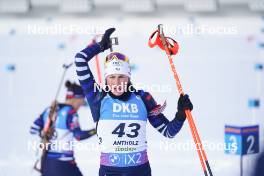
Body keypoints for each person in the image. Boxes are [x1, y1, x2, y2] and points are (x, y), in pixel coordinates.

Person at [74, 28, 193, 176]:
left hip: (140, 171)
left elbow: (168, 132)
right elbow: (80, 60)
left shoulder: (143, 98)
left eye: (121, 77)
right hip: (110, 172)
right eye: (112, 77)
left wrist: (180, 115)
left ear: (129, 77)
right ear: (106, 79)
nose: (117, 82)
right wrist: (100, 46)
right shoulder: (97, 97)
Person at [30, 81, 96, 176]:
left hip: (46, 163)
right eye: (81, 101)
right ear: (76, 99)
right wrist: (96, 130)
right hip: (63, 164)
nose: (81, 105)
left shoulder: (49, 110)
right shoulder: (70, 112)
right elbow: (78, 136)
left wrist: (45, 132)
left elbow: (33, 129)